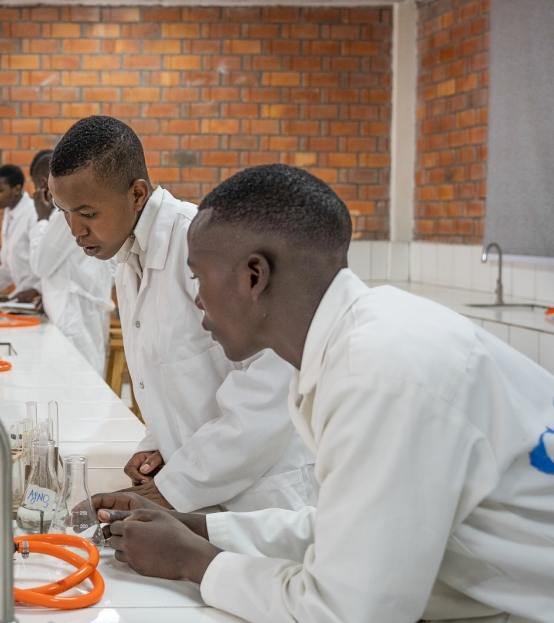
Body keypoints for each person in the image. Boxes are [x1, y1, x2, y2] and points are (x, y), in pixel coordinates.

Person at [95, 164, 554, 623]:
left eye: (198, 278)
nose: (195, 300)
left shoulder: (378, 373)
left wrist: (192, 561)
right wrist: (200, 528)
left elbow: (347, 612)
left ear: (254, 275)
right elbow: (346, 530)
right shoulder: (348, 346)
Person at [47, 115, 314, 513]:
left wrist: (178, 485)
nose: (75, 230)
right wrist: (157, 446)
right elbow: (173, 378)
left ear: (137, 195)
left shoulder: (202, 245)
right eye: (63, 211)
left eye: (87, 213)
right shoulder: (128, 256)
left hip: (263, 500)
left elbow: (274, 382)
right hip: (201, 490)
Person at [28, 150, 115, 377]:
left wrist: (41, 218)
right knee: (87, 387)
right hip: (84, 314)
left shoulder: (62, 215)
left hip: (72, 320)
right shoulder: (85, 207)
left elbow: (40, 265)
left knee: (76, 392)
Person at [0, 164, 40, 304]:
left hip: (36, 294)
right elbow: (8, 267)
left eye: (0, 190)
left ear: (17, 189)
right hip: (23, 296)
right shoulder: (9, 213)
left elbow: (41, 266)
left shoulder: (34, 214)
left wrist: (13, 297)